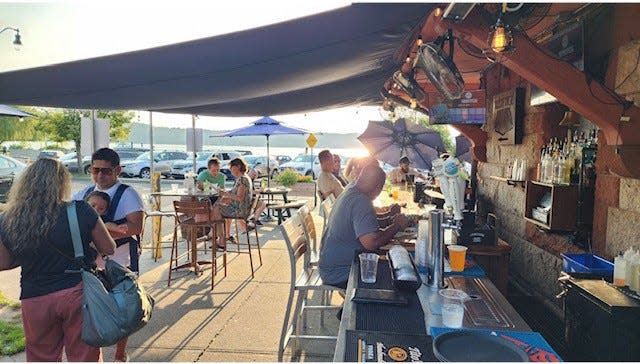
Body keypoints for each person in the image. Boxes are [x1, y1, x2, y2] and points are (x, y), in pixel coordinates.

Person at [0, 158, 116, 362]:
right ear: (62, 183)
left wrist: (31, 254)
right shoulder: (80, 209)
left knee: (40, 357)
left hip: (35, 295)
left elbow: (3, 263)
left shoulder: (9, 218)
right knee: (84, 355)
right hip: (77, 293)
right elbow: (108, 248)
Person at [73, 147, 144, 362]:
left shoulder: (128, 194)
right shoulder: (82, 194)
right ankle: (95, 354)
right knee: (88, 306)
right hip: (88, 260)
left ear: (118, 170)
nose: (100, 175)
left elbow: (135, 227)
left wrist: (101, 226)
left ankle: (120, 354)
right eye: (95, 170)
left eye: (106, 171)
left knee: (121, 304)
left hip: (119, 258)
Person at [318, 164, 409, 289]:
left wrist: (388, 216)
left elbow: (364, 223)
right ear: (378, 187)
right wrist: (397, 226)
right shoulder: (361, 201)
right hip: (341, 273)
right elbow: (372, 242)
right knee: (399, 280)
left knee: (391, 268)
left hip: (330, 265)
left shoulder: (351, 189)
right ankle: (353, 308)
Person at [209, 158, 253, 249]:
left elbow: (240, 198)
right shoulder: (242, 178)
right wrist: (225, 194)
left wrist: (225, 194)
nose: (230, 170)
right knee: (218, 206)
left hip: (239, 210)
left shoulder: (242, 180)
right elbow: (235, 195)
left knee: (216, 209)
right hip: (240, 208)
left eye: (231, 167)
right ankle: (221, 236)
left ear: (238, 167)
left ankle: (218, 237)